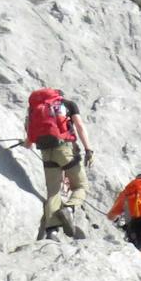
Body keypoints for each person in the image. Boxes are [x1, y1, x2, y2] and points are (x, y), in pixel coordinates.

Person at [22, 87, 94, 240]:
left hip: (46, 152)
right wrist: (88, 150)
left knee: (53, 192)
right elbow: (80, 126)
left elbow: (29, 141)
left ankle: (52, 232)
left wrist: (24, 144)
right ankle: (69, 208)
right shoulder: (68, 104)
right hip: (65, 148)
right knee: (81, 186)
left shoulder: (34, 109)